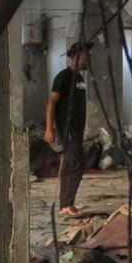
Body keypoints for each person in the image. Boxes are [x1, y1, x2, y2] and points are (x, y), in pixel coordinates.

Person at [44, 41, 91, 215]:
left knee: (73, 163)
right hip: (67, 127)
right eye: (86, 55)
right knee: (75, 163)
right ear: (77, 57)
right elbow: (51, 103)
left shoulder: (79, 79)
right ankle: (66, 204)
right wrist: (49, 128)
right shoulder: (62, 77)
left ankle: (67, 203)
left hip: (77, 129)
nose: (89, 59)